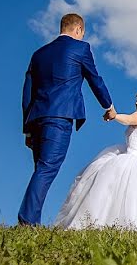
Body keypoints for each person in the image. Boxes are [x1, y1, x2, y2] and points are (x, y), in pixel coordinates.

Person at [18, 13, 116, 226]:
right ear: (79, 30)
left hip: (36, 118)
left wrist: (27, 129)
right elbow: (94, 79)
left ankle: (32, 221)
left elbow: (27, 93)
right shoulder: (81, 48)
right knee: (47, 167)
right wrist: (108, 106)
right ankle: (27, 221)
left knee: (41, 169)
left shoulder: (38, 54)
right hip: (59, 117)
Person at [54, 90, 137, 230]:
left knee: (111, 194)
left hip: (130, 160)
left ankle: (100, 225)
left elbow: (128, 119)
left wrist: (115, 116)